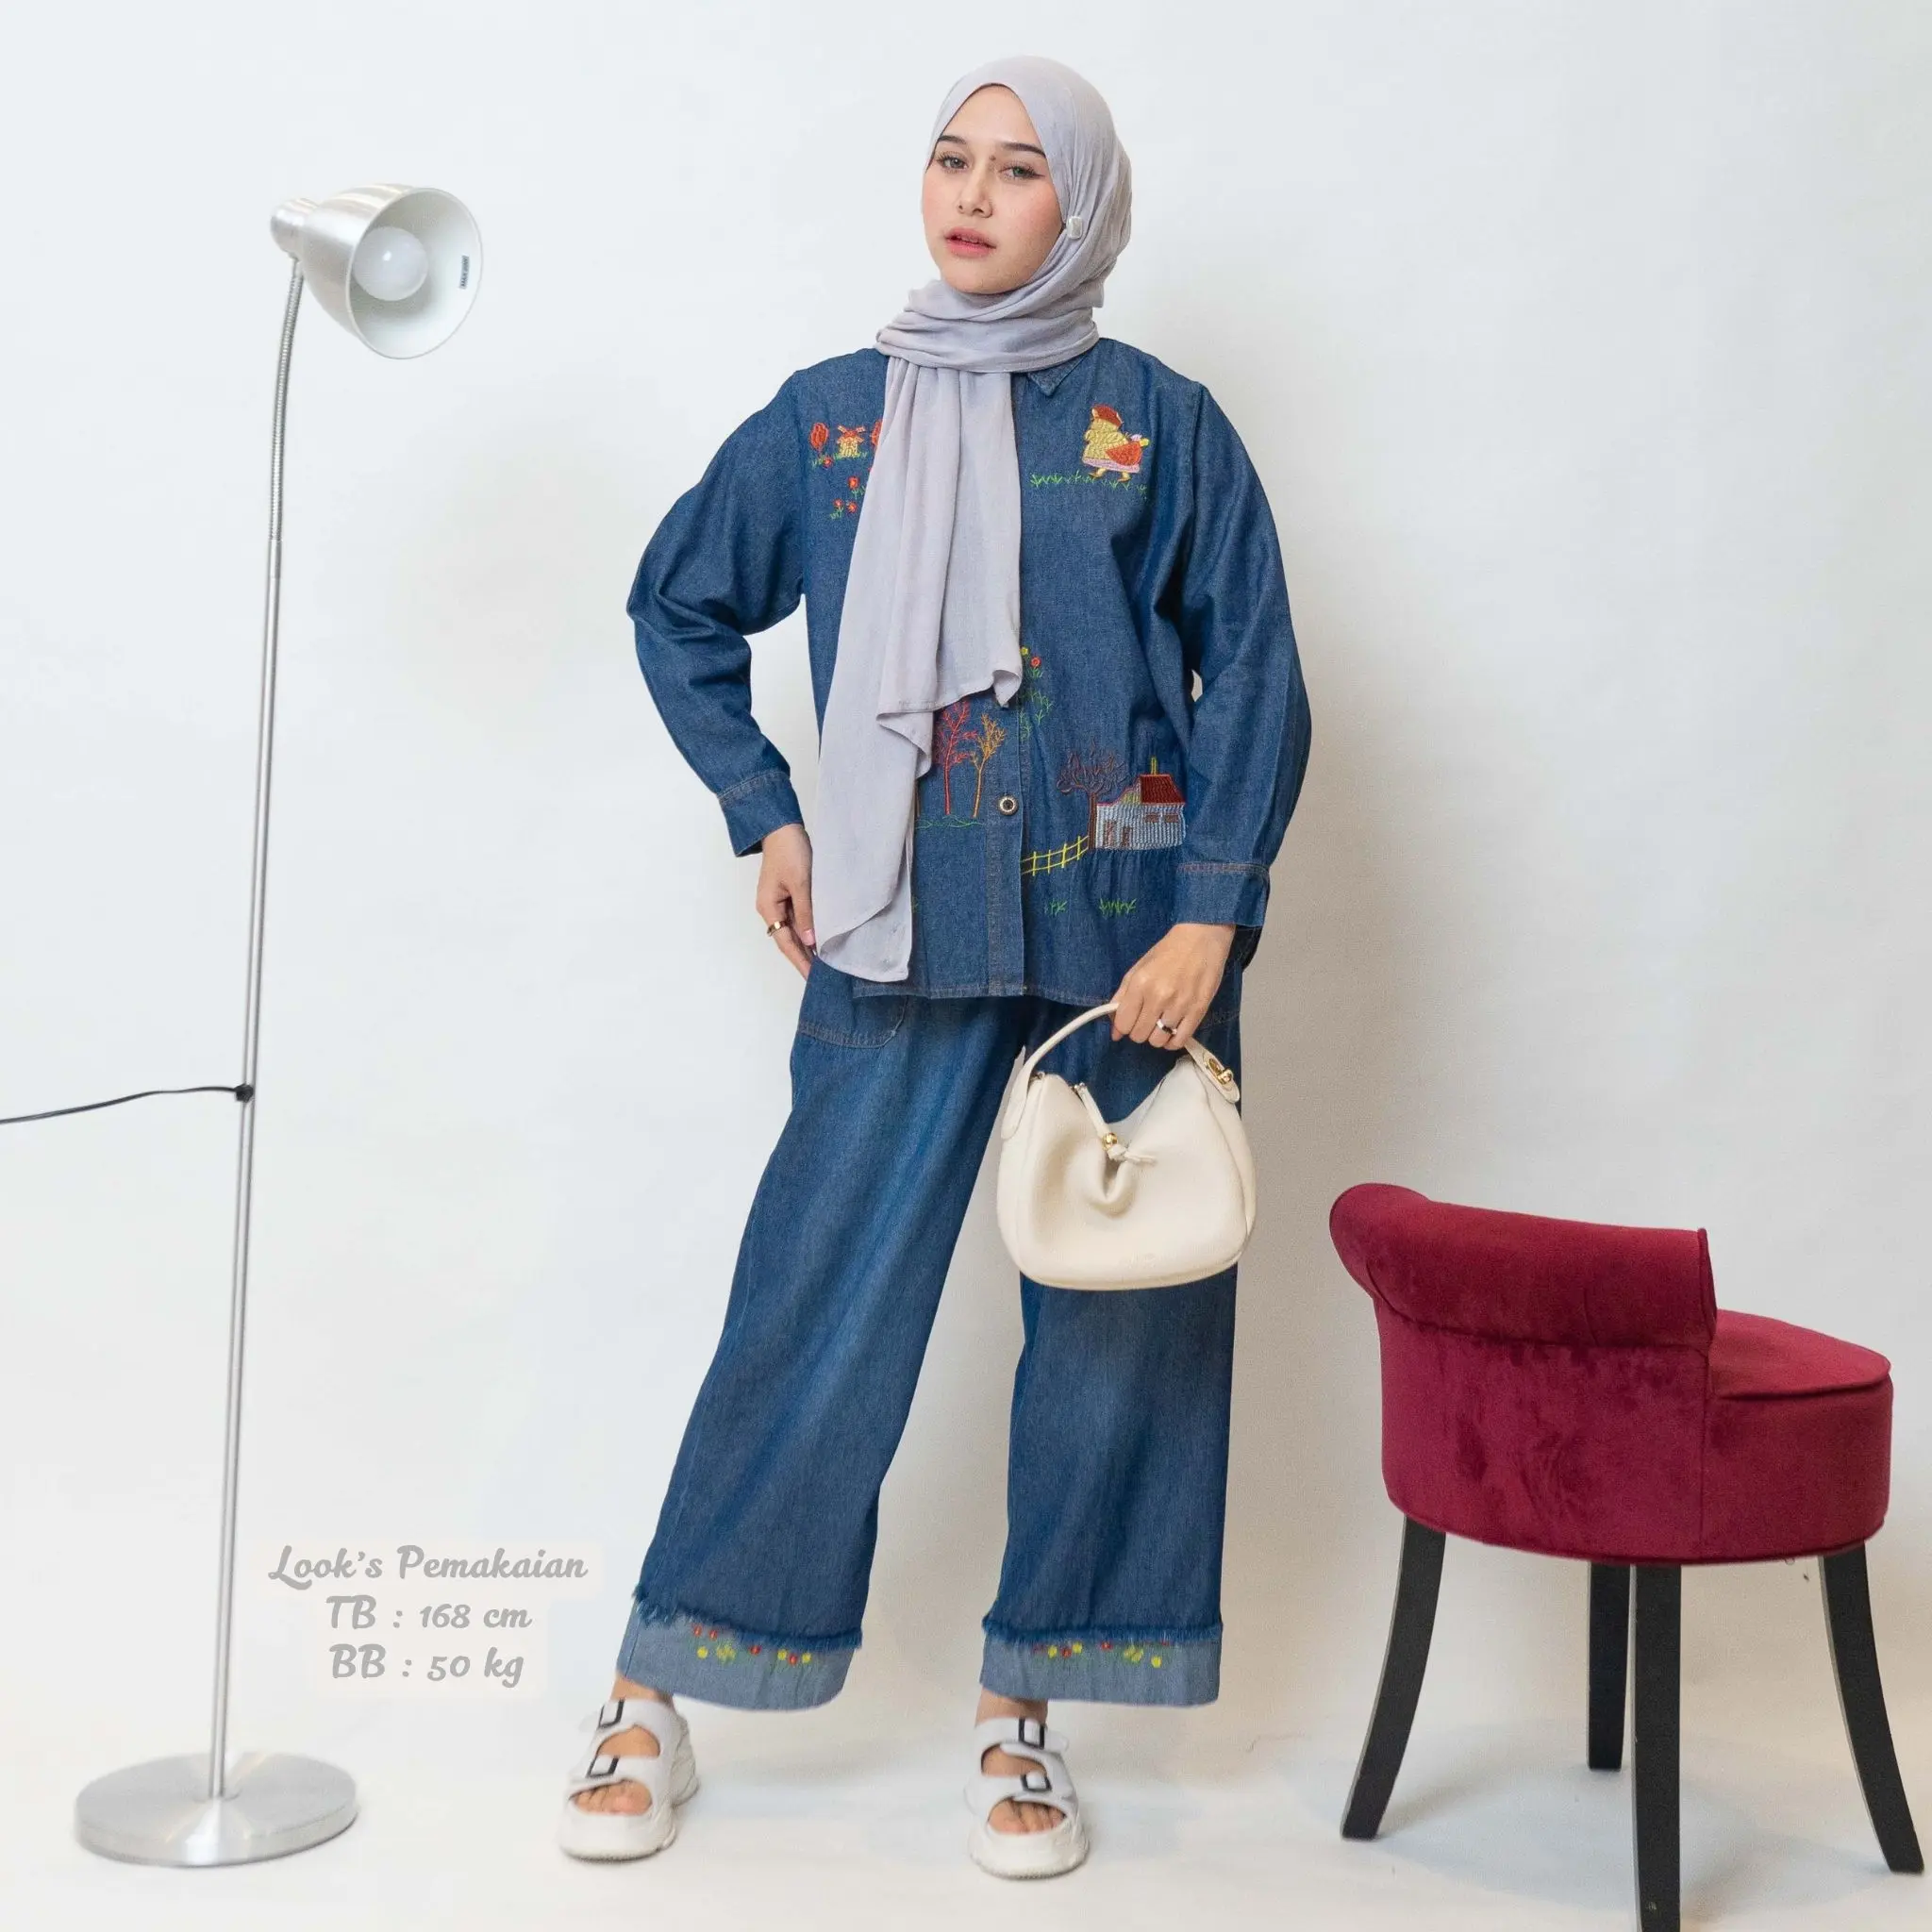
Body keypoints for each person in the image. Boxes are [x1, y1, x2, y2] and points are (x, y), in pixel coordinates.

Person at [558, 53, 1311, 1879]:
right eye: (951, 159)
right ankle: (659, 1688)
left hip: (1129, 943)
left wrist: (1211, 911)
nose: (973, 195)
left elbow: (1252, 671)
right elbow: (678, 600)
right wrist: (768, 810)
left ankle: (1022, 1705)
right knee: (814, 1300)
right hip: (897, 929)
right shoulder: (833, 421)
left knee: (1120, 1323)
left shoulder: (1160, 426)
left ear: (1085, 206)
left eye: (1020, 169)